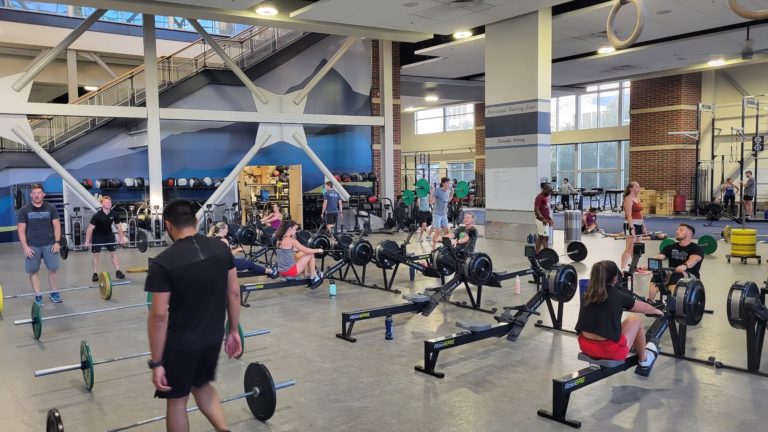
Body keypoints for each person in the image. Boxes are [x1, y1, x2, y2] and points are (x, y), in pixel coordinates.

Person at [145, 199, 242, 432]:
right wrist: (233, 330)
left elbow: (159, 316)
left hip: (181, 343)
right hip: (212, 337)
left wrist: (156, 362)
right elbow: (234, 294)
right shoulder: (222, 249)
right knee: (202, 385)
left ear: (168, 226)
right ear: (197, 221)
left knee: (177, 401)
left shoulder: (162, 263)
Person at [576, 260, 663, 376]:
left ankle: (596, 360)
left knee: (606, 323)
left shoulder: (587, 293)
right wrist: (660, 312)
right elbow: (646, 308)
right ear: (614, 278)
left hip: (585, 346)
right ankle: (644, 361)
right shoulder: (619, 296)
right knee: (635, 320)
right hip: (609, 352)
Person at [17, 183, 62, 306]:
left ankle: (54, 292)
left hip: (50, 244)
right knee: (33, 271)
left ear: (43, 194)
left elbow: (57, 226)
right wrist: (25, 247)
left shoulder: (51, 208)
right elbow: (21, 230)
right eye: (34, 193)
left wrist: (57, 243)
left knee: (53, 269)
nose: (36, 195)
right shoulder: (24, 210)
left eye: (39, 193)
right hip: (32, 246)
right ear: (31, 195)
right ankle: (37, 295)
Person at [647, 223, 704, 303]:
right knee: (658, 274)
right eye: (677, 229)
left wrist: (685, 265)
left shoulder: (696, 248)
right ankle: (650, 302)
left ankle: (671, 303)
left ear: (689, 234)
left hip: (690, 275)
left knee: (677, 275)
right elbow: (661, 256)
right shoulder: (670, 247)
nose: (677, 231)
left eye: (681, 230)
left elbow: (694, 259)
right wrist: (651, 263)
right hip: (672, 272)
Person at [207, 222, 278, 279]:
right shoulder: (224, 240)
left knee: (246, 259)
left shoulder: (213, 239)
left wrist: (230, 246)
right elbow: (228, 255)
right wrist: (238, 249)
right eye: (226, 229)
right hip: (229, 263)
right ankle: (271, 272)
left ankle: (263, 271)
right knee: (250, 264)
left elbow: (220, 251)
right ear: (222, 230)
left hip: (220, 263)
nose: (227, 230)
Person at [84, 196, 126, 282]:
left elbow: (119, 227)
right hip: (97, 236)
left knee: (113, 253)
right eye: (106, 202)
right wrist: (87, 241)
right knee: (96, 255)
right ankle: (95, 273)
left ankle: (118, 271)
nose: (109, 204)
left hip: (108, 235)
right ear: (102, 204)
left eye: (110, 202)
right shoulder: (97, 215)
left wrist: (121, 239)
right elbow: (90, 228)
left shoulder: (114, 214)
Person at [275, 220, 323, 285]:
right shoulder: (291, 240)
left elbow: (293, 250)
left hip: (281, 271)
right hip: (290, 271)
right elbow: (307, 250)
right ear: (289, 229)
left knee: (303, 254)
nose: (296, 231)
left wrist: (305, 250)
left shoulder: (279, 240)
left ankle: (307, 274)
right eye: (295, 229)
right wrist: (318, 250)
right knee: (311, 254)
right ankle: (313, 277)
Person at [620, 181, 648, 271]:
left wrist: (644, 227)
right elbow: (628, 215)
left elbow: (640, 214)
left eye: (639, 186)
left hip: (639, 225)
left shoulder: (637, 198)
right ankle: (623, 269)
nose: (638, 188)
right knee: (629, 248)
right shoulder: (628, 199)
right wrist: (632, 228)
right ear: (631, 188)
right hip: (631, 225)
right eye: (636, 187)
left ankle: (634, 266)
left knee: (637, 249)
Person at [430, 177, 453, 250]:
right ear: (443, 183)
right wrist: (431, 193)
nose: (448, 184)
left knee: (446, 230)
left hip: (444, 214)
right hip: (437, 214)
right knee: (438, 231)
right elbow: (431, 202)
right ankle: (433, 249)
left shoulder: (448, 191)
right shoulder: (438, 191)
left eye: (449, 183)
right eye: (447, 183)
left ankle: (447, 247)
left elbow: (447, 201)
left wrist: (452, 194)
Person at [533, 184, 554, 254]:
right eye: (549, 191)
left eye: (551, 192)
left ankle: (537, 254)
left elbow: (545, 209)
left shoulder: (545, 197)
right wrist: (542, 219)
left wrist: (550, 219)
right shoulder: (539, 197)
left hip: (544, 220)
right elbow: (536, 209)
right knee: (545, 238)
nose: (549, 193)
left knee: (541, 237)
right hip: (541, 221)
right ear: (545, 189)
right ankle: (548, 255)